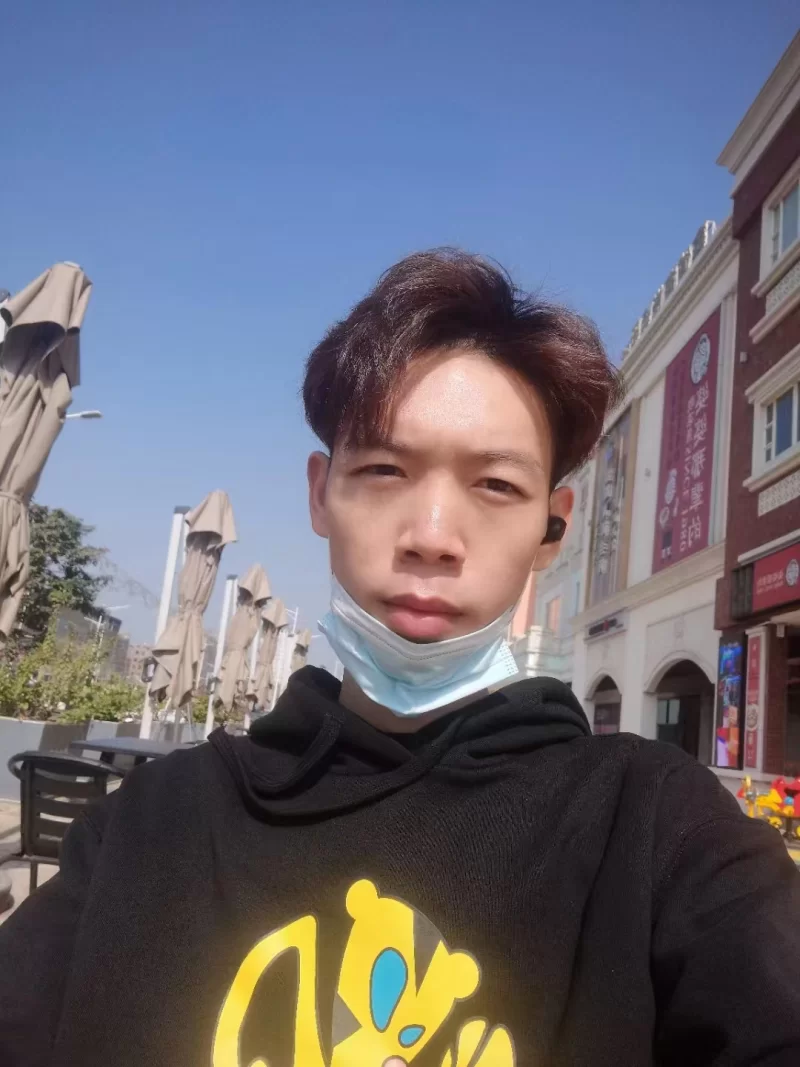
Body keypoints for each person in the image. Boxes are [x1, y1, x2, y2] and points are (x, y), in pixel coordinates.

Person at [1, 250, 798, 1067]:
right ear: (321, 492)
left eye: (496, 486)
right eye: (385, 469)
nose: (432, 536)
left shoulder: (656, 832)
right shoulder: (152, 824)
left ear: (552, 528)